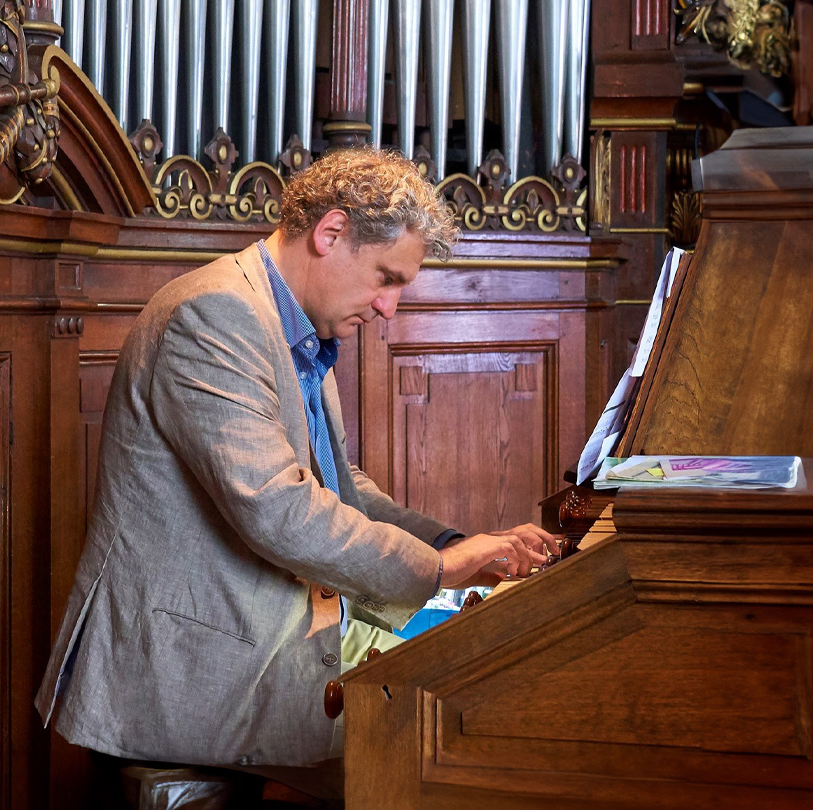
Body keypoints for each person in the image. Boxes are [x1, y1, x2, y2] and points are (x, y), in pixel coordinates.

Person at [35, 148, 557, 791]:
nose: (390, 307)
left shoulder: (293, 323)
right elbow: (278, 507)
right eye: (387, 278)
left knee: (485, 701)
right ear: (331, 232)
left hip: (263, 639)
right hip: (196, 671)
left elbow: (340, 488)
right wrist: (441, 571)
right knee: (465, 750)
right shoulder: (214, 315)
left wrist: (452, 545)